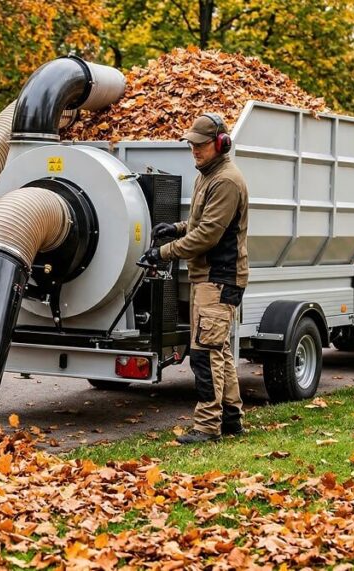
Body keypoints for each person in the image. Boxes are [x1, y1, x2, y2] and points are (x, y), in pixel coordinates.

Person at [143, 112, 249, 444]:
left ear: (220, 144)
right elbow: (199, 222)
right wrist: (174, 228)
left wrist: (163, 252)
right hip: (208, 277)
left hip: (220, 278)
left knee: (204, 354)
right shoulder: (207, 174)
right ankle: (232, 419)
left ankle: (207, 427)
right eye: (191, 145)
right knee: (219, 351)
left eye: (201, 146)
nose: (194, 151)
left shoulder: (227, 181)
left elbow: (208, 236)